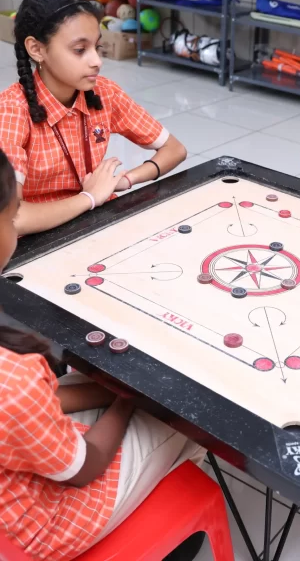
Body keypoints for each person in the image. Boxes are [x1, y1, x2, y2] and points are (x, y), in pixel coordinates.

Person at [0, 146, 206, 559]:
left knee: (90, 383)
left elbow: (29, 407)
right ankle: (174, 533)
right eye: (15, 214)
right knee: (192, 413)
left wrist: (114, 391)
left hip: (16, 473)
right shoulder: (15, 377)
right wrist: (133, 398)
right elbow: (83, 468)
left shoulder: (17, 380)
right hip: (40, 528)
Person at [0, 0, 187, 236]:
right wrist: (88, 198)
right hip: (36, 238)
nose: (96, 61)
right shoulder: (11, 111)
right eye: (79, 50)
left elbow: (175, 149)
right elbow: (11, 219)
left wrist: (125, 180)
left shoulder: (103, 93)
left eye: (97, 48)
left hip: (95, 222)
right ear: (36, 49)